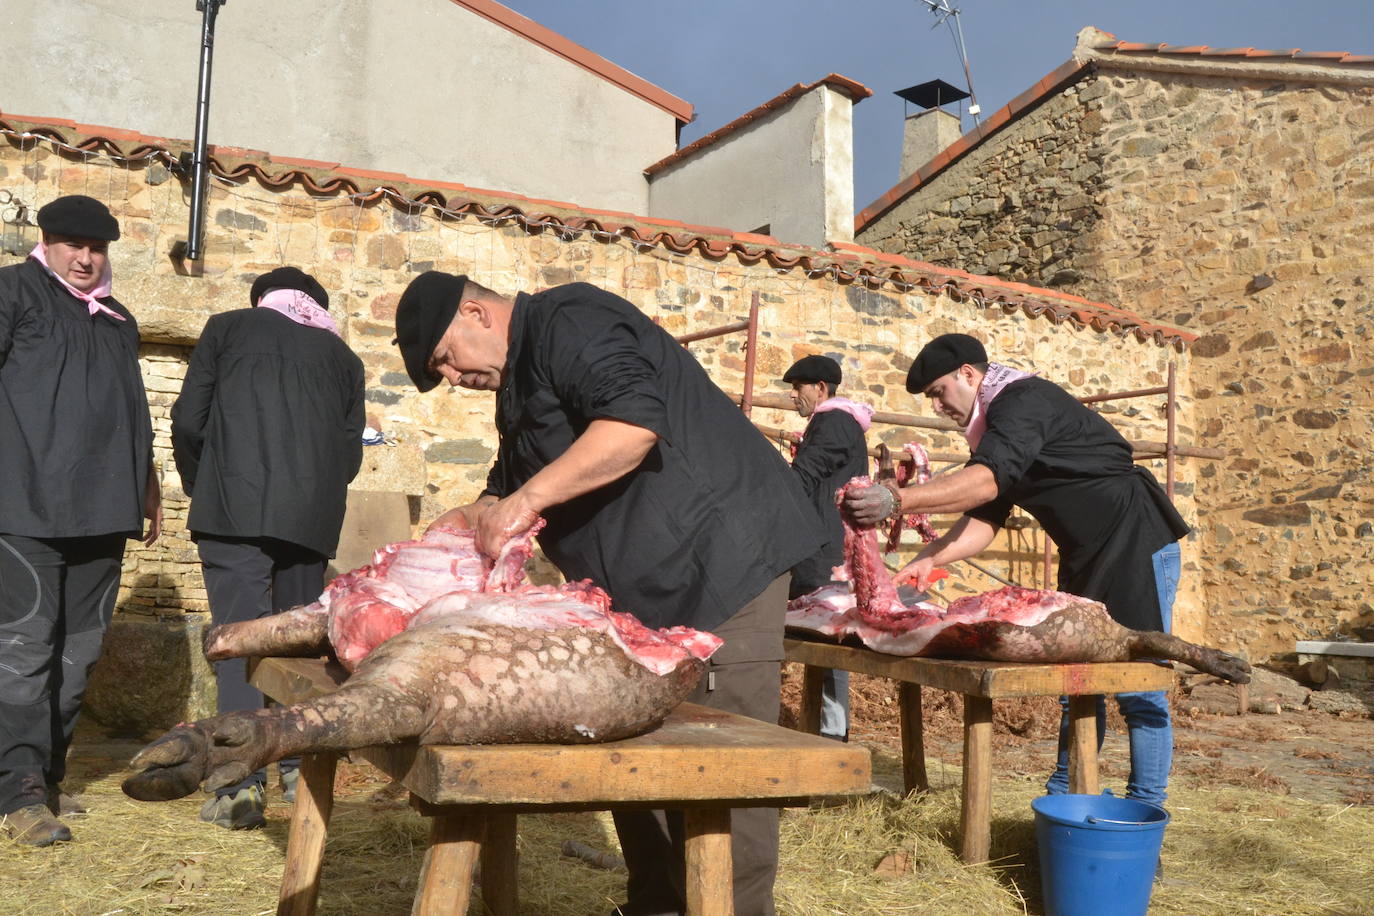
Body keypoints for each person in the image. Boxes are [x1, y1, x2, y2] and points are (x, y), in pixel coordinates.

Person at [393, 273, 823, 916]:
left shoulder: (570, 318)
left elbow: (629, 427)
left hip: (719, 569)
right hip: (636, 603)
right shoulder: (519, 388)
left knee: (723, 777)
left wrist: (525, 503)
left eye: (445, 360)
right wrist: (451, 534)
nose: (452, 378)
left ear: (475, 312)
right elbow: (505, 487)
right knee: (637, 766)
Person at [843, 333, 1188, 807]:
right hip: (1086, 557)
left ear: (969, 374)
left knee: (1141, 685)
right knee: (1077, 681)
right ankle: (1068, 794)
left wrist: (897, 501)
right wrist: (930, 559)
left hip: (1136, 541)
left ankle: (1145, 809)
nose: (938, 406)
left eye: (939, 391)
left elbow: (983, 483)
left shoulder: (1022, 401)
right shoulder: (996, 429)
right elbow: (986, 518)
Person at [171, 267, 364, 829]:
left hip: (232, 508)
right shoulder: (345, 360)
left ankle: (238, 783)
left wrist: (199, 481)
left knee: (237, 641)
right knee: (295, 649)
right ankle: (295, 766)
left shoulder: (229, 328)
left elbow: (189, 419)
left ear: (262, 300)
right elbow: (349, 456)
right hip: (309, 519)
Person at [0, 195, 160, 846]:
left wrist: (146, 486)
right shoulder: (13, 292)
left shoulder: (117, 319)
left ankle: (51, 780)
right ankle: (19, 795)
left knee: (78, 656)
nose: (86, 258)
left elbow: (134, 410)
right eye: (73, 245)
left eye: (97, 248)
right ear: (48, 241)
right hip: (25, 507)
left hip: (102, 511)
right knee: (24, 651)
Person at [782, 355, 872, 742]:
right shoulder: (834, 421)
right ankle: (823, 732)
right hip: (819, 549)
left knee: (830, 643)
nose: (792, 395)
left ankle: (832, 735)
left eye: (798, 387)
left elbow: (807, 473)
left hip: (824, 555)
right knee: (818, 641)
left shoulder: (835, 420)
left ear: (820, 388)